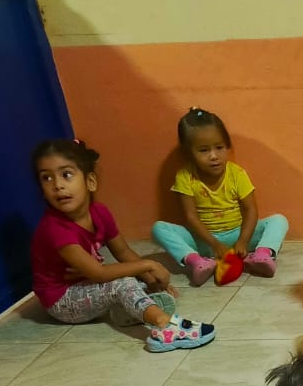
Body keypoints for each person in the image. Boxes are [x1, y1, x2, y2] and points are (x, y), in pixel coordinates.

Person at [30, 139, 216, 353]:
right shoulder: (55, 229)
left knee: (134, 278)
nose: (57, 185)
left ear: (90, 181)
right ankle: (164, 325)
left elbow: (123, 252)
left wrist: (149, 277)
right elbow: (99, 273)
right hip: (61, 300)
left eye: (66, 174)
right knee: (122, 282)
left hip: (84, 282)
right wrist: (149, 265)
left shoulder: (99, 212)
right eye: (46, 178)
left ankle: (126, 310)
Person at [151, 107, 288, 285]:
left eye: (219, 147)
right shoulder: (185, 176)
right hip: (204, 241)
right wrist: (215, 244)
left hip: (238, 235)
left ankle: (261, 255)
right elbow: (190, 217)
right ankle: (197, 262)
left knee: (278, 221)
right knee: (159, 228)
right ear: (188, 153)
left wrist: (243, 241)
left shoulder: (236, 174)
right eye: (203, 150)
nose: (214, 156)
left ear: (227, 146)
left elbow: (251, 210)